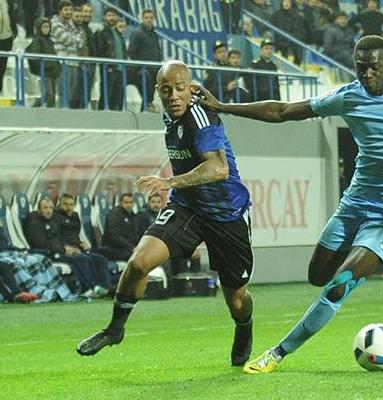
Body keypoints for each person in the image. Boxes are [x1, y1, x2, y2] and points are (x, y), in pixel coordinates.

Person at [193, 34, 383, 374]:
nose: (367, 74)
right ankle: (358, 261)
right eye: (360, 68)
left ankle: (277, 353)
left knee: (337, 286)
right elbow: (283, 111)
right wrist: (224, 107)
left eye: (374, 67)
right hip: (356, 202)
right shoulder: (349, 97)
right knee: (317, 275)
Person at [77, 60, 254, 369]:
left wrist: (168, 182)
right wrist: (175, 188)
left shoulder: (200, 117)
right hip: (187, 208)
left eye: (180, 89)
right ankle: (115, 329)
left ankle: (244, 327)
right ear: (158, 91)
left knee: (237, 299)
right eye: (166, 90)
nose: (173, 96)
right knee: (138, 263)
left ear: (191, 89)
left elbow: (218, 168)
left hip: (226, 215)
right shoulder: (170, 116)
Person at [24, 197, 106, 297]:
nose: (48, 211)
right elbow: (41, 244)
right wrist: (63, 249)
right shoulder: (34, 223)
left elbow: (58, 239)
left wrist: (69, 248)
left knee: (84, 257)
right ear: (39, 210)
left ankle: (95, 287)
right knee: (78, 259)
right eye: (45, 208)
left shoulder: (52, 222)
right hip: (46, 254)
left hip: (58, 251)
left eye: (51, 208)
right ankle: (86, 289)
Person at [54, 193, 112, 294]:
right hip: (63, 250)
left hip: (77, 249)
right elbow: (55, 237)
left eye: (71, 204)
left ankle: (105, 288)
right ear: (60, 204)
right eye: (65, 204)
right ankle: (89, 289)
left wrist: (80, 243)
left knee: (100, 259)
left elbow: (75, 235)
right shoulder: (56, 217)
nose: (69, 207)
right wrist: (65, 247)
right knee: (84, 259)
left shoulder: (75, 216)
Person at [50, 0, 84, 109]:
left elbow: (81, 42)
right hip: (62, 62)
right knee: (63, 92)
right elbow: (66, 39)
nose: (68, 12)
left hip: (74, 61)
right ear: (60, 11)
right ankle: (61, 113)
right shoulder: (55, 23)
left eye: (70, 9)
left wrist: (74, 38)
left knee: (71, 94)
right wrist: (75, 37)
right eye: (66, 10)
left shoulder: (71, 24)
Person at [128, 9, 162, 112]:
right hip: (141, 70)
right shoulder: (137, 33)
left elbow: (157, 51)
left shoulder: (155, 34)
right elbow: (132, 52)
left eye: (151, 18)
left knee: (154, 87)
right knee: (145, 87)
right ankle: (146, 106)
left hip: (153, 69)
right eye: (146, 18)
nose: (148, 20)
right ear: (142, 19)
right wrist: (139, 67)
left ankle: (148, 106)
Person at [94, 6, 127, 111]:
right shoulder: (101, 32)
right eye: (109, 15)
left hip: (120, 69)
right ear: (104, 17)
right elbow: (99, 52)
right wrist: (107, 66)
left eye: (113, 15)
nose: (111, 18)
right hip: (108, 69)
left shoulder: (118, 33)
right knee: (106, 97)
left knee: (118, 99)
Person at [27, 18, 61, 108]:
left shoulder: (50, 41)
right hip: (44, 71)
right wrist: (47, 65)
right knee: (49, 94)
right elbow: (36, 57)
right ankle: (34, 109)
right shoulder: (37, 40)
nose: (47, 29)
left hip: (53, 72)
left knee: (51, 95)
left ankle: (49, 112)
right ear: (39, 28)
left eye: (48, 27)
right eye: (44, 27)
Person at [100, 193, 139, 261]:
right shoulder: (114, 214)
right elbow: (115, 236)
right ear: (121, 203)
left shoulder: (131, 215)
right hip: (112, 248)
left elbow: (134, 234)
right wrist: (131, 247)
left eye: (131, 202)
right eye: (126, 202)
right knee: (135, 257)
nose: (128, 205)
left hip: (126, 248)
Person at [270, 0, 306, 64]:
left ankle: (296, 66)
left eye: (288, 2)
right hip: (279, 41)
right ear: (282, 3)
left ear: (291, 3)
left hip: (292, 40)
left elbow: (298, 29)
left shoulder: (296, 15)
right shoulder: (276, 14)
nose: (286, 3)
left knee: (298, 52)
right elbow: (272, 26)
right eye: (285, 1)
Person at [0, 0, 16, 95]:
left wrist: (13, 32)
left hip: (6, 39)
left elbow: (11, 16)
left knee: (2, 69)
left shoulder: (7, 1)